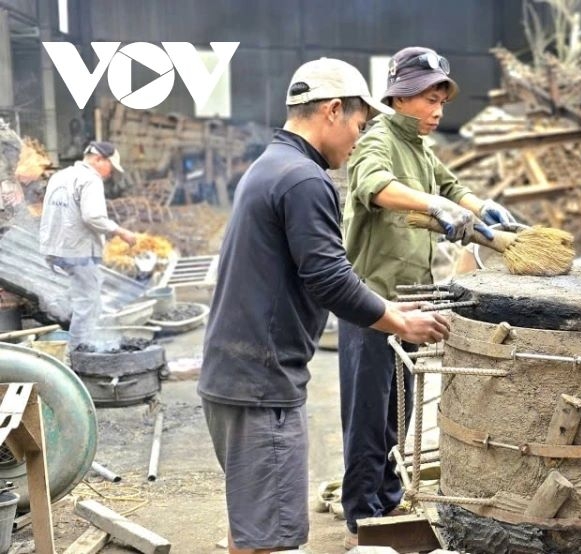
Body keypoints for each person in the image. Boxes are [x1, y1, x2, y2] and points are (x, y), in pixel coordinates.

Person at [197, 57, 452, 554]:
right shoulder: (305, 180)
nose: (358, 139)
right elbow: (330, 278)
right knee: (270, 537)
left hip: (236, 375)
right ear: (333, 111)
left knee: (252, 523)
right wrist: (400, 320)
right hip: (261, 385)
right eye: (358, 125)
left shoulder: (271, 165)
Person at [338, 46, 516, 548]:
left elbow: (452, 186)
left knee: (399, 411)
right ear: (399, 96)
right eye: (428, 98)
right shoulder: (378, 140)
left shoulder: (419, 146)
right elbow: (373, 184)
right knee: (367, 416)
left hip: (411, 301)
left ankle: (389, 497)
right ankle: (363, 515)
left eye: (442, 98)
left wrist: (485, 213)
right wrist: (432, 203)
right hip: (372, 303)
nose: (438, 109)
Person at [38, 141, 138, 349]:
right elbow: (93, 216)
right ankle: (78, 353)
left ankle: (82, 342)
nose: (110, 172)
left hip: (54, 248)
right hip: (77, 251)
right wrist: (121, 232)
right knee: (88, 302)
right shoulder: (90, 179)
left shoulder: (60, 176)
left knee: (80, 297)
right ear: (98, 159)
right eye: (110, 166)